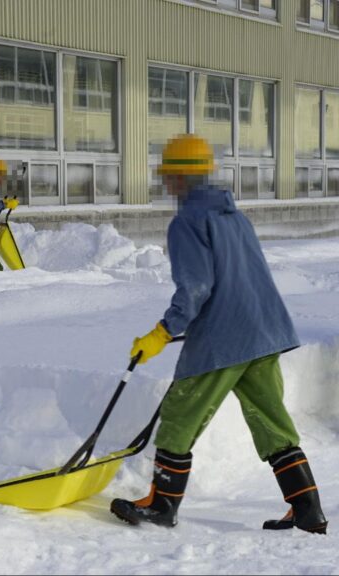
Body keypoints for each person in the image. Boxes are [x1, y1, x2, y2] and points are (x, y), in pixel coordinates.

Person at [110, 134, 328, 535]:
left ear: (178, 178)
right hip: (264, 332)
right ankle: (308, 509)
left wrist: (162, 333)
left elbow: (195, 287)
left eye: (169, 176)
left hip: (223, 338)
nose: (166, 184)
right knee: (272, 421)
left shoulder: (187, 222)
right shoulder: (234, 216)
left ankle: (161, 506)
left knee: (179, 415)